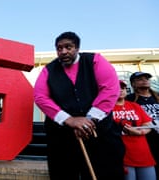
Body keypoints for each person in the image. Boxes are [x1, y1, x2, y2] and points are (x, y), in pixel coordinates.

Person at [34, 31, 125, 180]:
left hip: (100, 132)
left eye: (68, 47)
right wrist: (69, 120)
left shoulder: (95, 60)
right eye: (59, 48)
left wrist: (88, 121)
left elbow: (109, 89)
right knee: (63, 173)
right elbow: (40, 97)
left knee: (106, 171)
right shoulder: (48, 70)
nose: (63, 51)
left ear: (77, 48)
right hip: (62, 135)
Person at [113, 80, 156, 180]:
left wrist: (139, 132)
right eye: (117, 88)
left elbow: (148, 124)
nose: (121, 90)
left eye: (123, 88)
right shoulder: (108, 108)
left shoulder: (135, 106)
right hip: (123, 155)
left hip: (143, 153)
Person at [126, 71, 159, 179]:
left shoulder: (157, 96)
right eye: (140, 79)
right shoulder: (129, 99)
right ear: (133, 84)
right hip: (145, 139)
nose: (144, 80)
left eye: (146, 78)